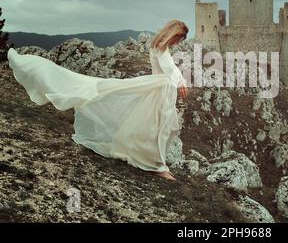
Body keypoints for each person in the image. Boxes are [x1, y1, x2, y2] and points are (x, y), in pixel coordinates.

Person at [7, 20, 189, 181]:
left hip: (158, 91)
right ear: (174, 36)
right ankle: (158, 166)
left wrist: (178, 79)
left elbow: (168, 68)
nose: (178, 43)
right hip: (157, 93)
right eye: (179, 39)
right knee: (159, 128)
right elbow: (169, 69)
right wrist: (180, 80)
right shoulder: (161, 50)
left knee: (157, 127)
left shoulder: (158, 46)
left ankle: (155, 162)